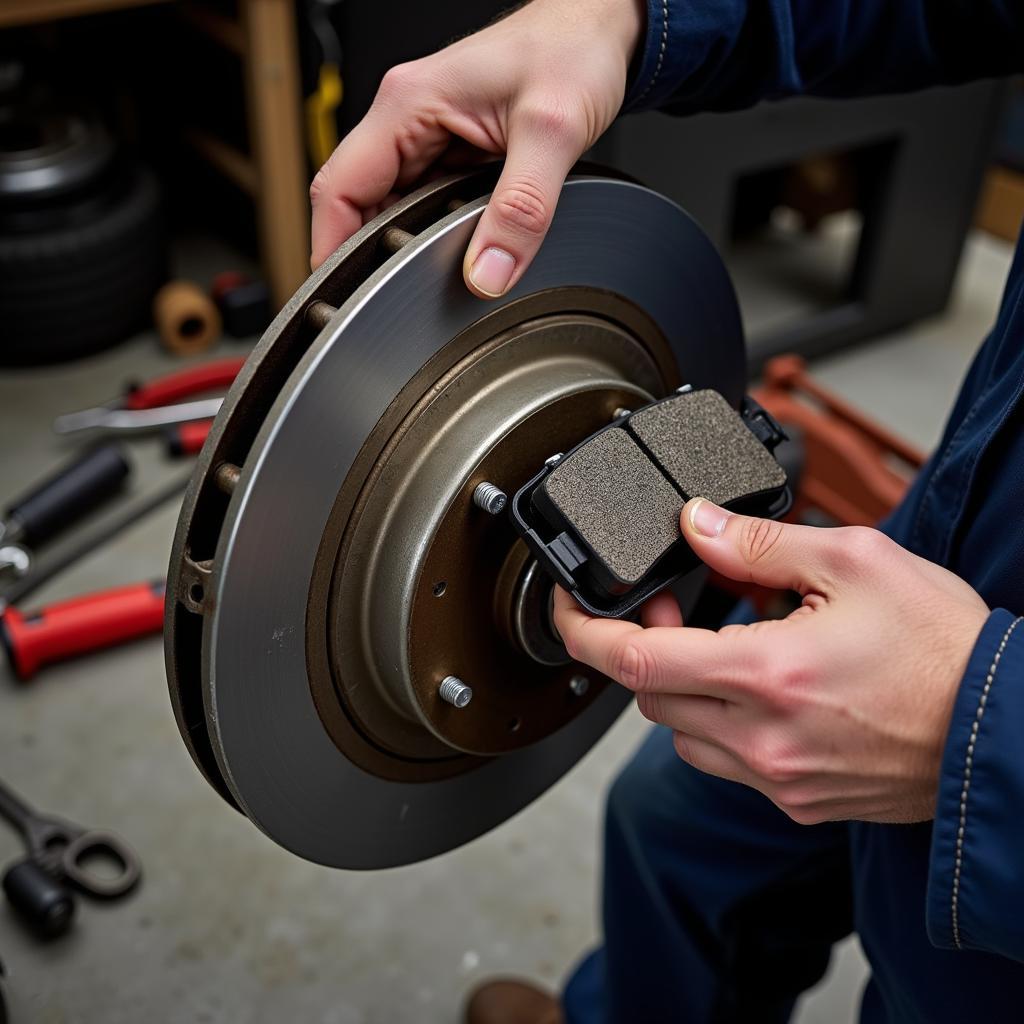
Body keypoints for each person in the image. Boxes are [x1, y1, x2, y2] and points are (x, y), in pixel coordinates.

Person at [309, 2, 1024, 1020]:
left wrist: (979, 734)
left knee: (931, 984)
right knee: (676, 820)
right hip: (977, 521)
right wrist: (628, 18)